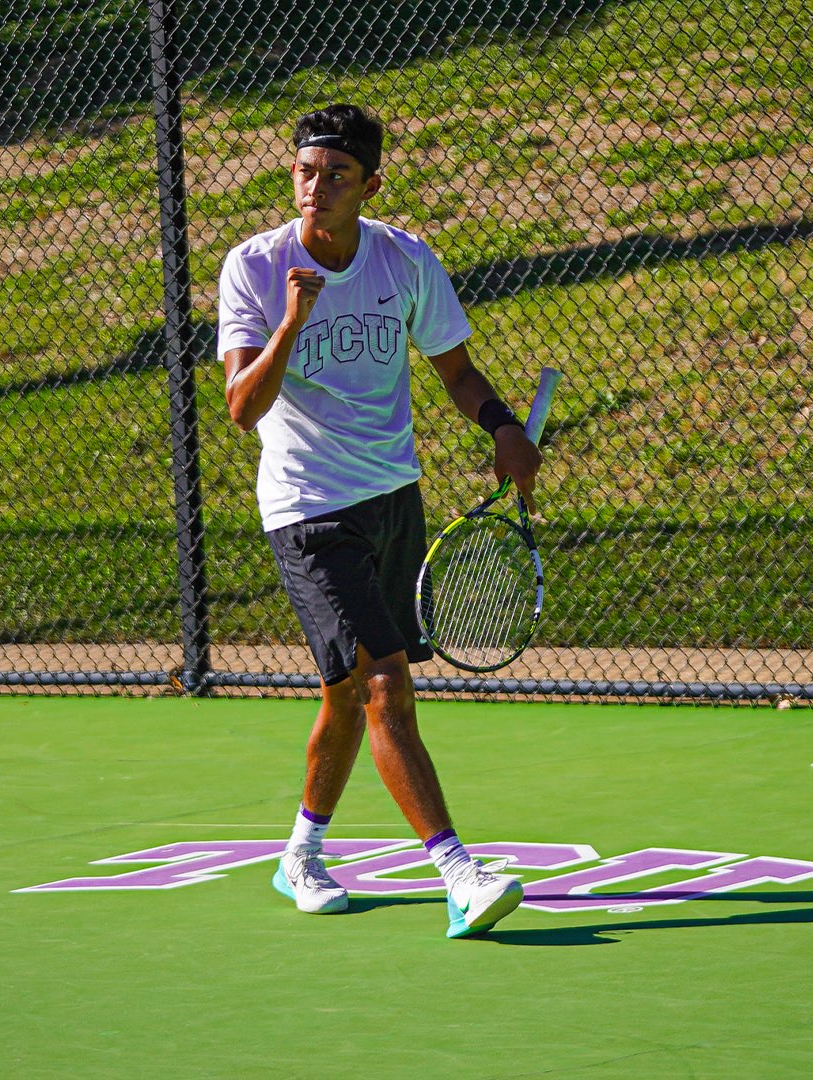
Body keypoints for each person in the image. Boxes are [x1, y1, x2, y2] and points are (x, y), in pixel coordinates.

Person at [217, 103, 542, 938]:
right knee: (388, 685)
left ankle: (299, 853)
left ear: (370, 185)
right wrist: (292, 320)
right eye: (304, 171)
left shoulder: (403, 261)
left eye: (336, 176)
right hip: (307, 509)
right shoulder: (253, 268)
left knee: (347, 691)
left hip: (392, 497)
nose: (315, 189)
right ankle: (458, 873)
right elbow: (241, 408)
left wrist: (503, 427)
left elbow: (457, 371)